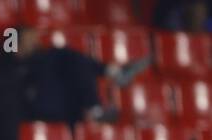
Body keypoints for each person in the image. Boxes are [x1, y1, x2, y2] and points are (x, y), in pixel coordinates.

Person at [14, 26, 148, 126]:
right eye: (29, 38)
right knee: (69, 59)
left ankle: (110, 77)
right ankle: (113, 73)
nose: (35, 41)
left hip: (66, 109)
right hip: (40, 110)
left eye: (35, 37)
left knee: (73, 61)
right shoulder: (18, 65)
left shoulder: (48, 57)